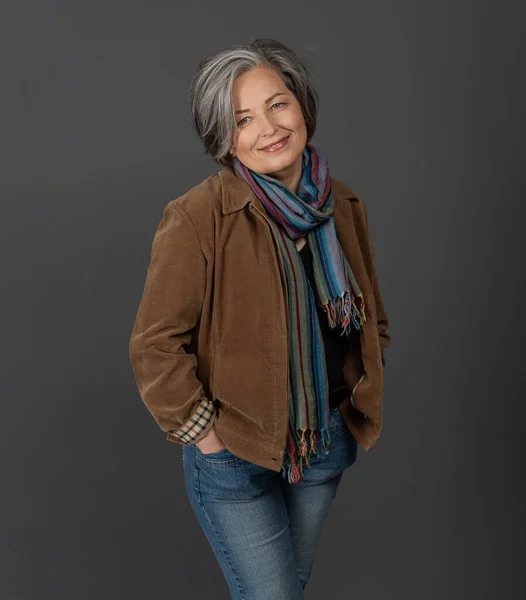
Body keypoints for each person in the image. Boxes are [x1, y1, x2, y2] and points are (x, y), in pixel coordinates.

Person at [129, 38, 391, 599]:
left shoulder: (341, 205)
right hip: (234, 457)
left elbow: (372, 321)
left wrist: (355, 399)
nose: (268, 128)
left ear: (302, 106)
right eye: (242, 119)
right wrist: (207, 438)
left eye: (278, 104)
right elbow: (154, 345)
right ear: (223, 138)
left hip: (322, 444)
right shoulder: (199, 216)